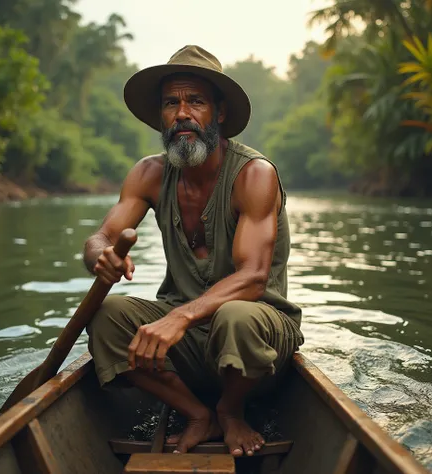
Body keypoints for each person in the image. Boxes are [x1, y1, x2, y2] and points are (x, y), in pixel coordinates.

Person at [84, 45, 304, 457]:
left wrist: (180, 317)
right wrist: (100, 255)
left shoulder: (254, 175)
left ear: (219, 113)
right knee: (106, 316)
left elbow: (254, 277)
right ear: (161, 116)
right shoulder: (148, 173)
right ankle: (198, 413)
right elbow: (102, 236)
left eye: (196, 101)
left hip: (258, 337)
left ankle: (231, 410)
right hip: (186, 342)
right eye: (172, 103)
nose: (182, 113)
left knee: (235, 315)